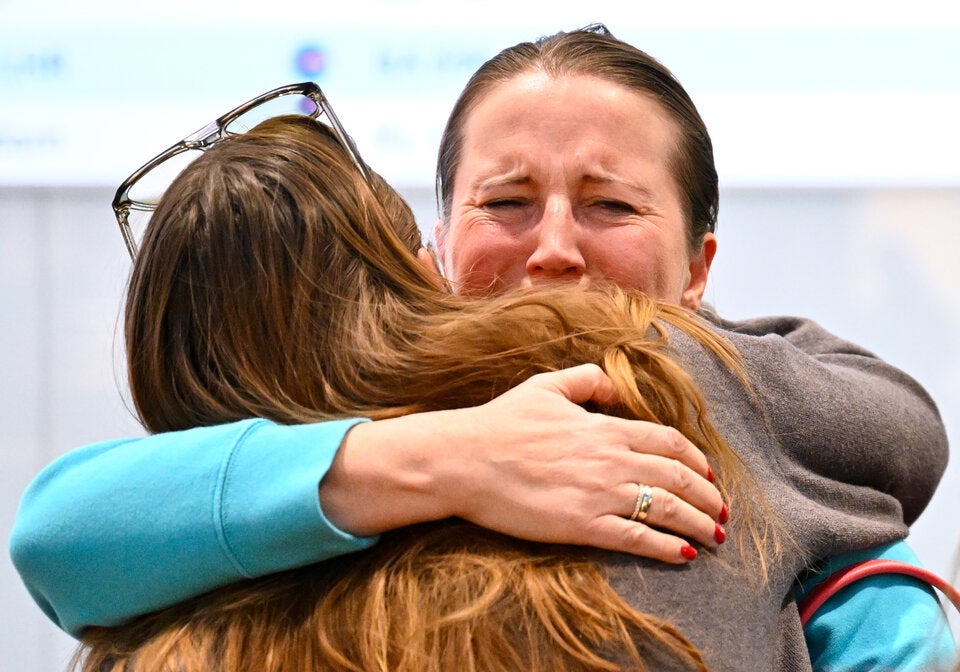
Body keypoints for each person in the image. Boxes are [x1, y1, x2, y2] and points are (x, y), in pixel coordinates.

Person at [10, 25, 953, 670]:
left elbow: (901, 430)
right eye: (504, 202)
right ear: (434, 250)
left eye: (610, 204)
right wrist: (449, 459)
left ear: (699, 268)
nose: (553, 246)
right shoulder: (295, 445)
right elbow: (58, 531)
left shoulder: (718, 386)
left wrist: (869, 606)